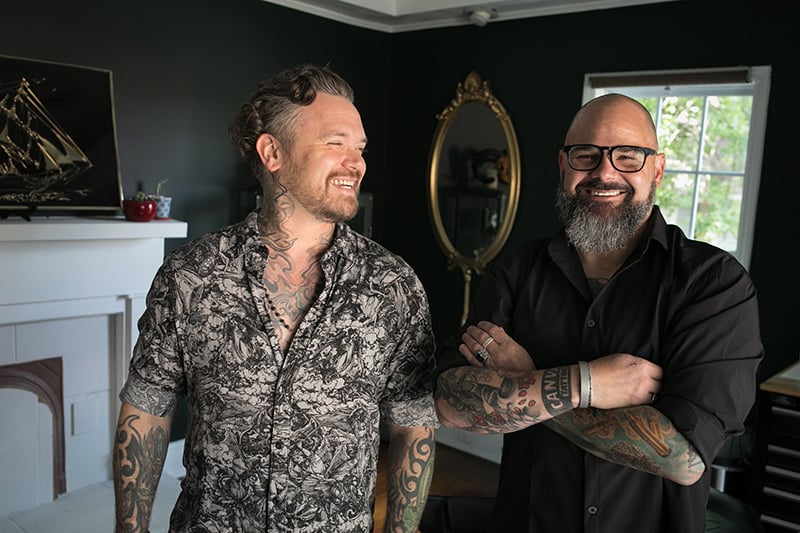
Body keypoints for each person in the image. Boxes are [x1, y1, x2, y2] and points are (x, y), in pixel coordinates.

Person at [113, 64, 438, 533]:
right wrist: (130, 528)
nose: (357, 163)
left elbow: (414, 425)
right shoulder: (190, 276)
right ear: (272, 152)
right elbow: (148, 407)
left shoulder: (393, 286)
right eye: (335, 143)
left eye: (360, 148)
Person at [433, 93, 763, 532]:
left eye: (628, 156)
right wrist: (585, 383)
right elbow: (450, 402)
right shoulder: (517, 270)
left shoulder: (713, 283)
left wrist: (530, 377)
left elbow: (682, 458)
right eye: (585, 155)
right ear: (563, 165)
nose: (604, 172)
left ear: (658, 170)